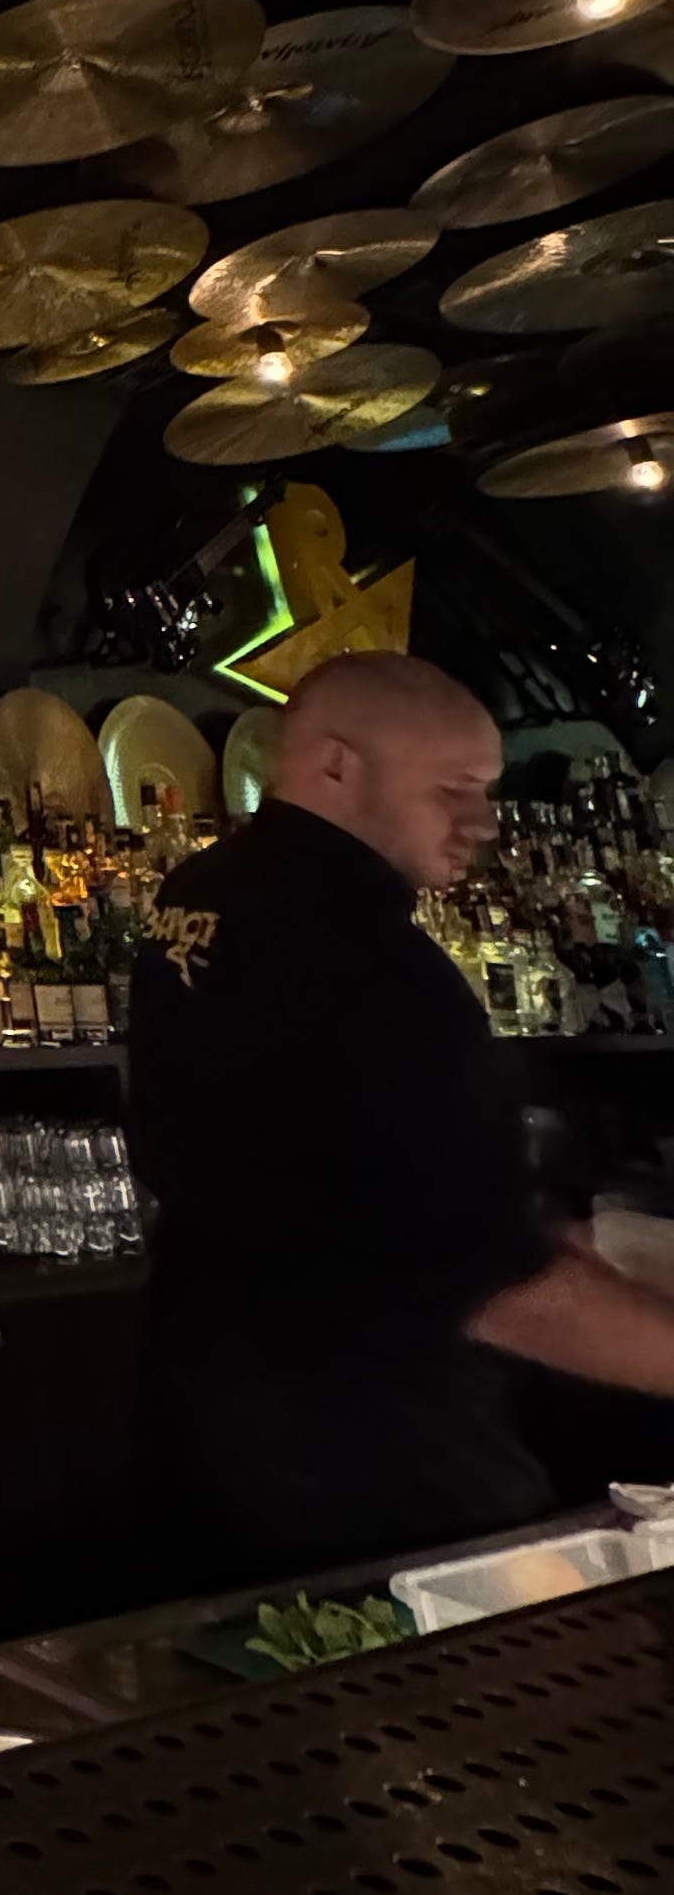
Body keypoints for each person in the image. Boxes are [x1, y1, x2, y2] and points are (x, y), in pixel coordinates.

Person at [131, 650, 674, 1575]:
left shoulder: (198, 896)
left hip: (210, 1416)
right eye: (454, 790)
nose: (485, 823)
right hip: (374, 1463)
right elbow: (493, 1284)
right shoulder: (382, 972)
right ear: (336, 766)